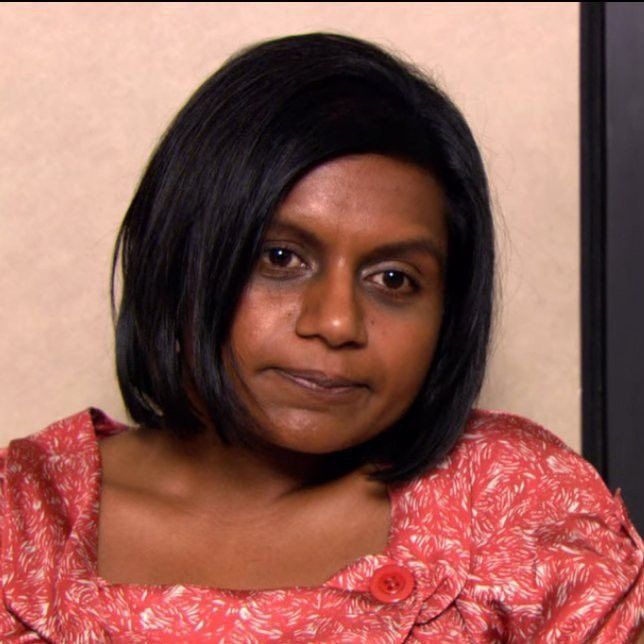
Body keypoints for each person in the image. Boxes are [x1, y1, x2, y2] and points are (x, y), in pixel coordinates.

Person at [0, 32, 641, 642]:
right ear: (178, 256)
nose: (336, 323)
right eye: (280, 258)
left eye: (393, 279)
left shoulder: (516, 505)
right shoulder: (24, 521)